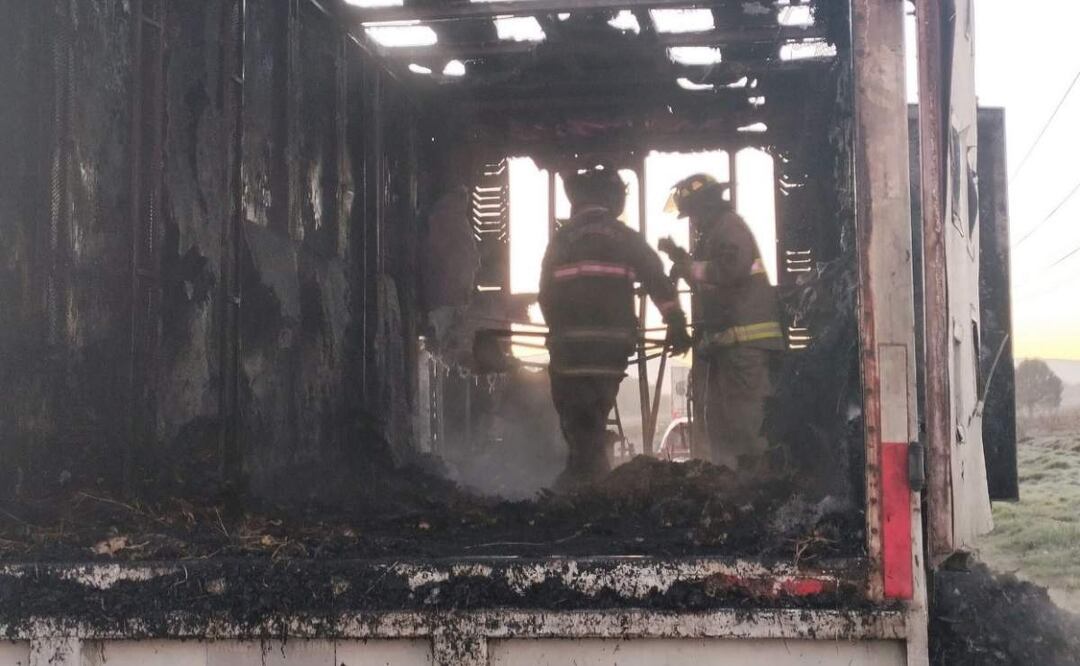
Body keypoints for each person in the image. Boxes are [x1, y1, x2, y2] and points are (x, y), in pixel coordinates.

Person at [539, 161, 692, 489]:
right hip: (610, 350)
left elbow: (545, 296)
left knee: (577, 420)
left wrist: (560, 333)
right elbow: (657, 281)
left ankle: (583, 480)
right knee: (594, 411)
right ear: (613, 200)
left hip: (568, 352)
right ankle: (593, 480)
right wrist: (675, 321)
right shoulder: (626, 238)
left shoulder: (560, 241)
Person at [659, 173, 783, 473]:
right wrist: (680, 258)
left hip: (746, 348)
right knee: (724, 427)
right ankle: (735, 490)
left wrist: (688, 266)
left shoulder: (729, 226)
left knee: (748, 428)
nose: (693, 222)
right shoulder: (717, 232)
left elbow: (730, 268)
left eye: (694, 214)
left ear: (706, 206)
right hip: (729, 348)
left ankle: (761, 491)